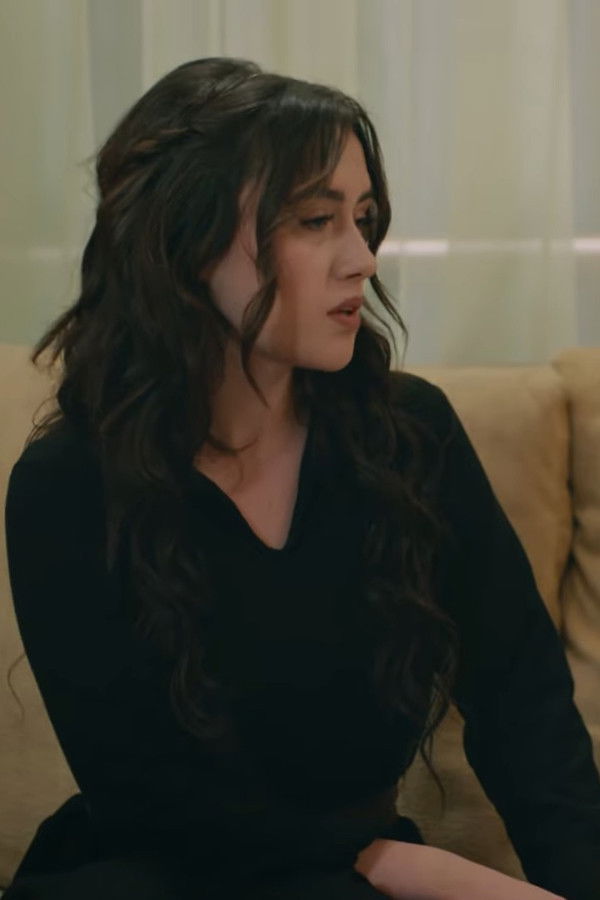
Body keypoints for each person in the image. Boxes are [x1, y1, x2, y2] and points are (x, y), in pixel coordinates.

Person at [4, 56, 600, 900]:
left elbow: (524, 708)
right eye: (316, 220)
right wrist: (412, 867)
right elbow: (153, 802)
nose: (361, 259)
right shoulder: (68, 485)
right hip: (157, 880)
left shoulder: (410, 436)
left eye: (364, 219)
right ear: (185, 240)